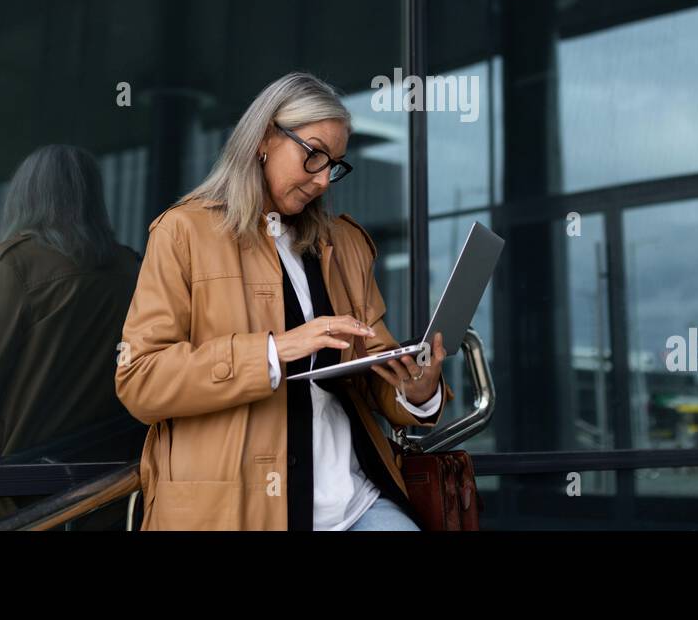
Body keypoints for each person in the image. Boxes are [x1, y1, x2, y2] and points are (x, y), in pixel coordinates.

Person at [116, 71, 455, 530]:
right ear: (264, 139)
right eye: (313, 155)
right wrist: (274, 351)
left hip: (353, 503)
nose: (322, 181)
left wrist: (415, 392)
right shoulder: (184, 233)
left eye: (333, 163)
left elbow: (374, 368)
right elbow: (141, 381)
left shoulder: (345, 244)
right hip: (238, 513)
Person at [0, 144, 141, 530]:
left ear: (24, 197)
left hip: (8, 496)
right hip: (98, 496)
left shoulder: (16, 263)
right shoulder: (132, 268)